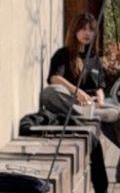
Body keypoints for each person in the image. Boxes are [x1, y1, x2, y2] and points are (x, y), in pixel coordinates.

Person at [40, 11, 120, 165]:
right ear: (75, 30)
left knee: (117, 113)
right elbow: (54, 78)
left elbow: (99, 87)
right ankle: (88, 114)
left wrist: (100, 100)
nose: (87, 33)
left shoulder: (94, 58)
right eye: (83, 29)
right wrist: (78, 93)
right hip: (72, 102)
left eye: (91, 30)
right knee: (48, 93)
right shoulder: (63, 54)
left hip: (94, 106)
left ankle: (93, 113)